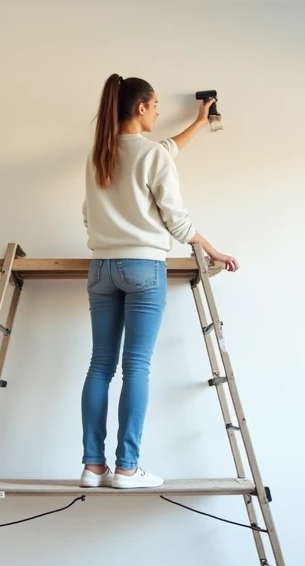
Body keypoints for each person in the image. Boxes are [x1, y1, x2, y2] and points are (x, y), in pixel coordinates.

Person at [78, 74, 239, 489]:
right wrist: (213, 248)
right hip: (144, 268)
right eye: (155, 106)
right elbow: (177, 220)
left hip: (101, 268)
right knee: (136, 366)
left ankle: (92, 467)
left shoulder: (99, 155)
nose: (158, 113)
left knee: (100, 365)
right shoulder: (151, 156)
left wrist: (199, 122)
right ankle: (127, 468)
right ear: (141, 108)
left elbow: (89, 214)